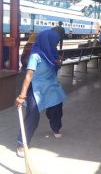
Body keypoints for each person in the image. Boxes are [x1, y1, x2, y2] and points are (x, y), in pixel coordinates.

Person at [15, 30, 67, 158]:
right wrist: (22, 96)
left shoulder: (51, 53)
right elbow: (28, 76)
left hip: (51, 85)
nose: (55, 45)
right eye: (54, 42)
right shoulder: (35, 56)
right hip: (37, 86)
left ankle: (55, 127)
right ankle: (22, 142)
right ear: (47, 41)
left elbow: (55, 64)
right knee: (33, 114)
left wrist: (58, 62)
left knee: (57, 107)